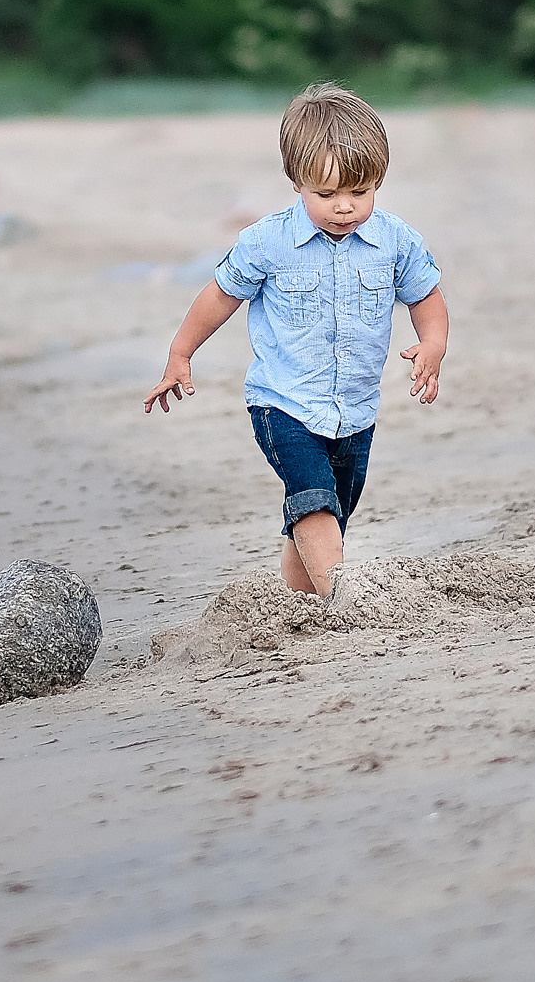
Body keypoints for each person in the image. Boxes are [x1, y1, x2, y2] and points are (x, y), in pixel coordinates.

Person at [142, 82, 447, 607]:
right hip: (282, 403)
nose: (344, 207)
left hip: (355, 410)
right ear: (296, 181)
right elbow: (219, 295)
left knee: (328, 513)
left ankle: (298, 605)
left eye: (360, 193)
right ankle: (345, 602)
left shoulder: (396, 241)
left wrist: (433, 344)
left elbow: (426, 297)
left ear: (379, 180)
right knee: (313, 501)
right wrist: (180, 354)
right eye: (326, 195)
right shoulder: (267, 241)